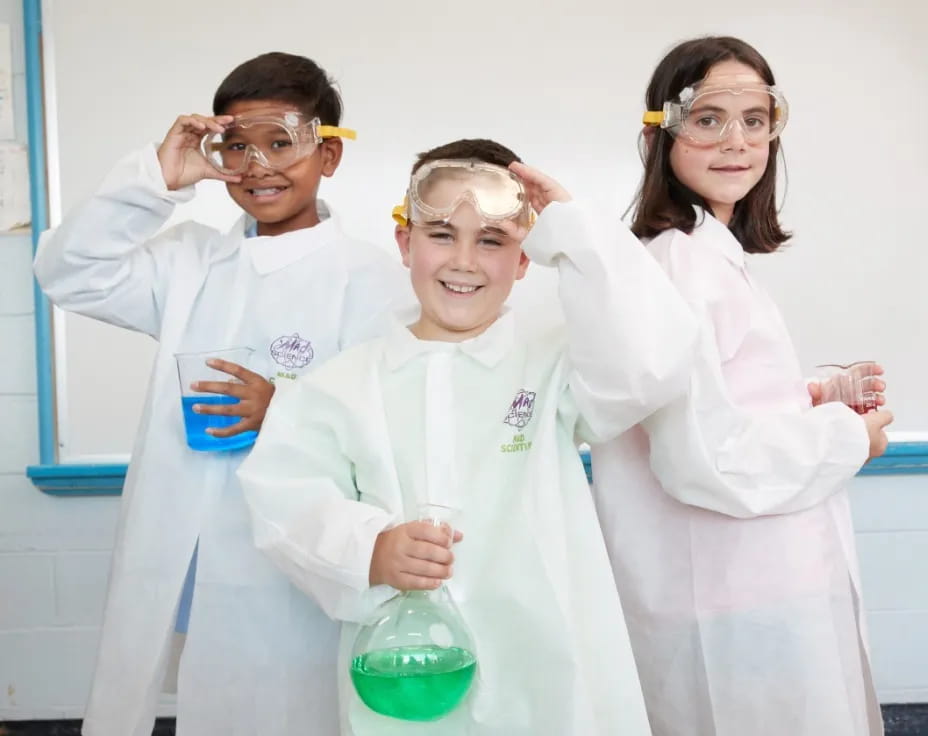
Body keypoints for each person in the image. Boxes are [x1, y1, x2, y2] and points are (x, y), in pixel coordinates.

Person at [237, 138, 699, 734]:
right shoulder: (339, 386)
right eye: (441, 235)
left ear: (526, 258)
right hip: (405, 676)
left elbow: (655, 361)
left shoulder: (555, 365)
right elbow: (283, 496)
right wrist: (368, 548)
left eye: (492, 240)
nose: (464, 261)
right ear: (404, 243)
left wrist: (575, 231)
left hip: (545, 673)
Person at [33, 52, 409, 736]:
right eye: (237, 145)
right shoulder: (189, 261)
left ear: (328, 156)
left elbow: (392, 425)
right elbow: (68, 274)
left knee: (294, 710)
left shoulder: (371, 281)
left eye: (280, 142)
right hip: (183, 539)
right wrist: (155, 181)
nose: (258, 165)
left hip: (293, 553)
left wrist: (284, 409)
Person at [591, 35, 893, 736]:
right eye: (709, 119)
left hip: (749, 589)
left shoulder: (707, 255)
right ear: (661, 134)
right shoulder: (679, 266)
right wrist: (852, 435)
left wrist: (816, 392)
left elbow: (723, 400)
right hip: (729, 600)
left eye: (755, 120)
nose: (736, 142)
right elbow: (706, 457)